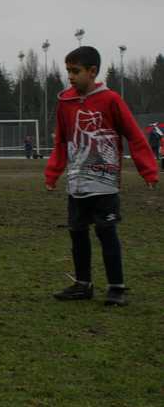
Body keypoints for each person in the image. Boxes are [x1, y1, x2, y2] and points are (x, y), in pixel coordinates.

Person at [45, 47, 158, 307]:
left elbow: (134, 135)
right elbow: (61, 141)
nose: (70, 76)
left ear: (92, 71)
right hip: (76, 184)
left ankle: (116, 287)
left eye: (75, 71)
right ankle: (83, 284)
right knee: (77, 233)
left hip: (105, 184)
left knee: (107, 232)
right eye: (68, 71)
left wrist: (148, 170)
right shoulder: (65, 103)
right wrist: (53, 172)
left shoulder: (111, 100)